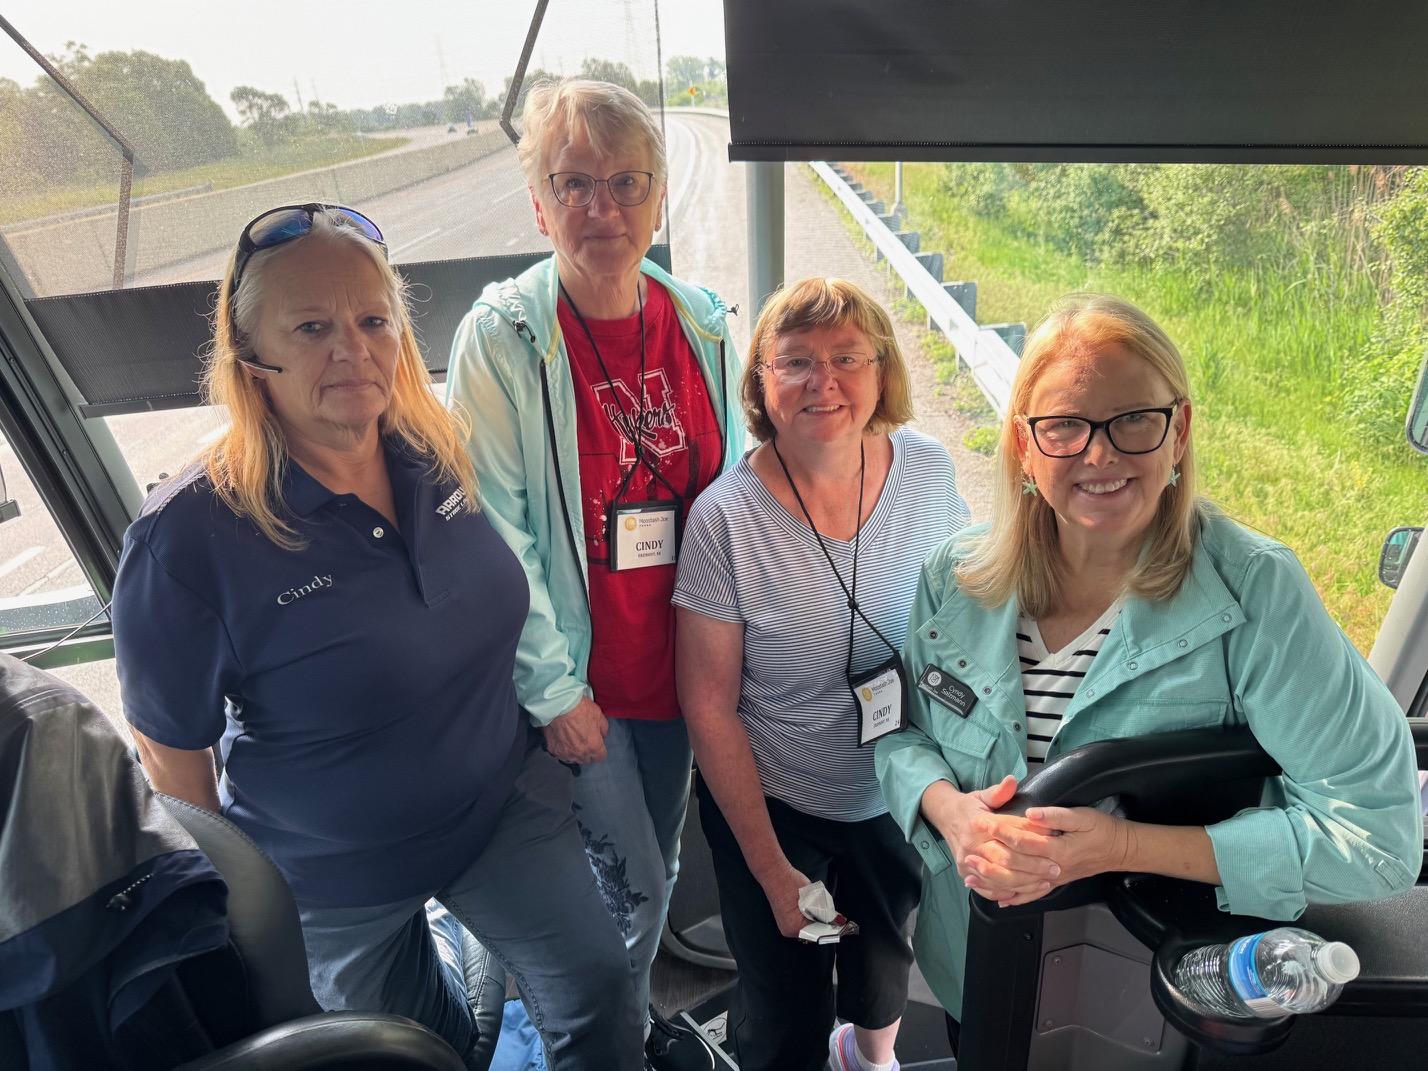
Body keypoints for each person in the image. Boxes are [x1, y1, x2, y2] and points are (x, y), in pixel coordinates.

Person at [110, 203, 643, 1070]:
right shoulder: (186, 539)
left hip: (495, 806)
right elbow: (173, 758)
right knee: (419, 1054)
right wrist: (239, 914)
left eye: (372, 320)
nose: (352, 349)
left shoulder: (437, 446)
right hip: (333, 873)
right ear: (251, 358)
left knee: (602, 988)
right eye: (311, 327)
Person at [876, 292, 1424, 1050]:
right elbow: (902, 736)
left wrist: (1120, 845)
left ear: (1180, 431)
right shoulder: (956, 575)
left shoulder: (1255, 591)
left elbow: (1377, 840)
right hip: (975, 960)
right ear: (1024, 445)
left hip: (1144, 1004)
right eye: (1064, 425)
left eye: (1133, 419)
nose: (1099, 454)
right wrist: (950, 814)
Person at [447, 79, 743, 1071]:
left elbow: (733, 501)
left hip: (681, 675)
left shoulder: (702, 324)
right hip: (582, 685)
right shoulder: (505, 338)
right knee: (626, 897)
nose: (602, 208)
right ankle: (575, 1044)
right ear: (539, 205)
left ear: (658, 196)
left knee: (655, 864)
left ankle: (607, 1023)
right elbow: (497, 531)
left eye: (626, 183)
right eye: (573, 184)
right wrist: (555, 692)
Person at [673, 278, 971, 1071]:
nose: (823, 381)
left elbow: (969, 612)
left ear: (882, 372)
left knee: (884, 967)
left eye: (847, 357)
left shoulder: (929, 471)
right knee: (784, 1008)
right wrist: (774, 871)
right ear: (762, 382)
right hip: (777, 805)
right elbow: (709, 707)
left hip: (896, 789)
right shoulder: (725, 519)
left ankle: (868, 1058)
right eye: (796, 360)